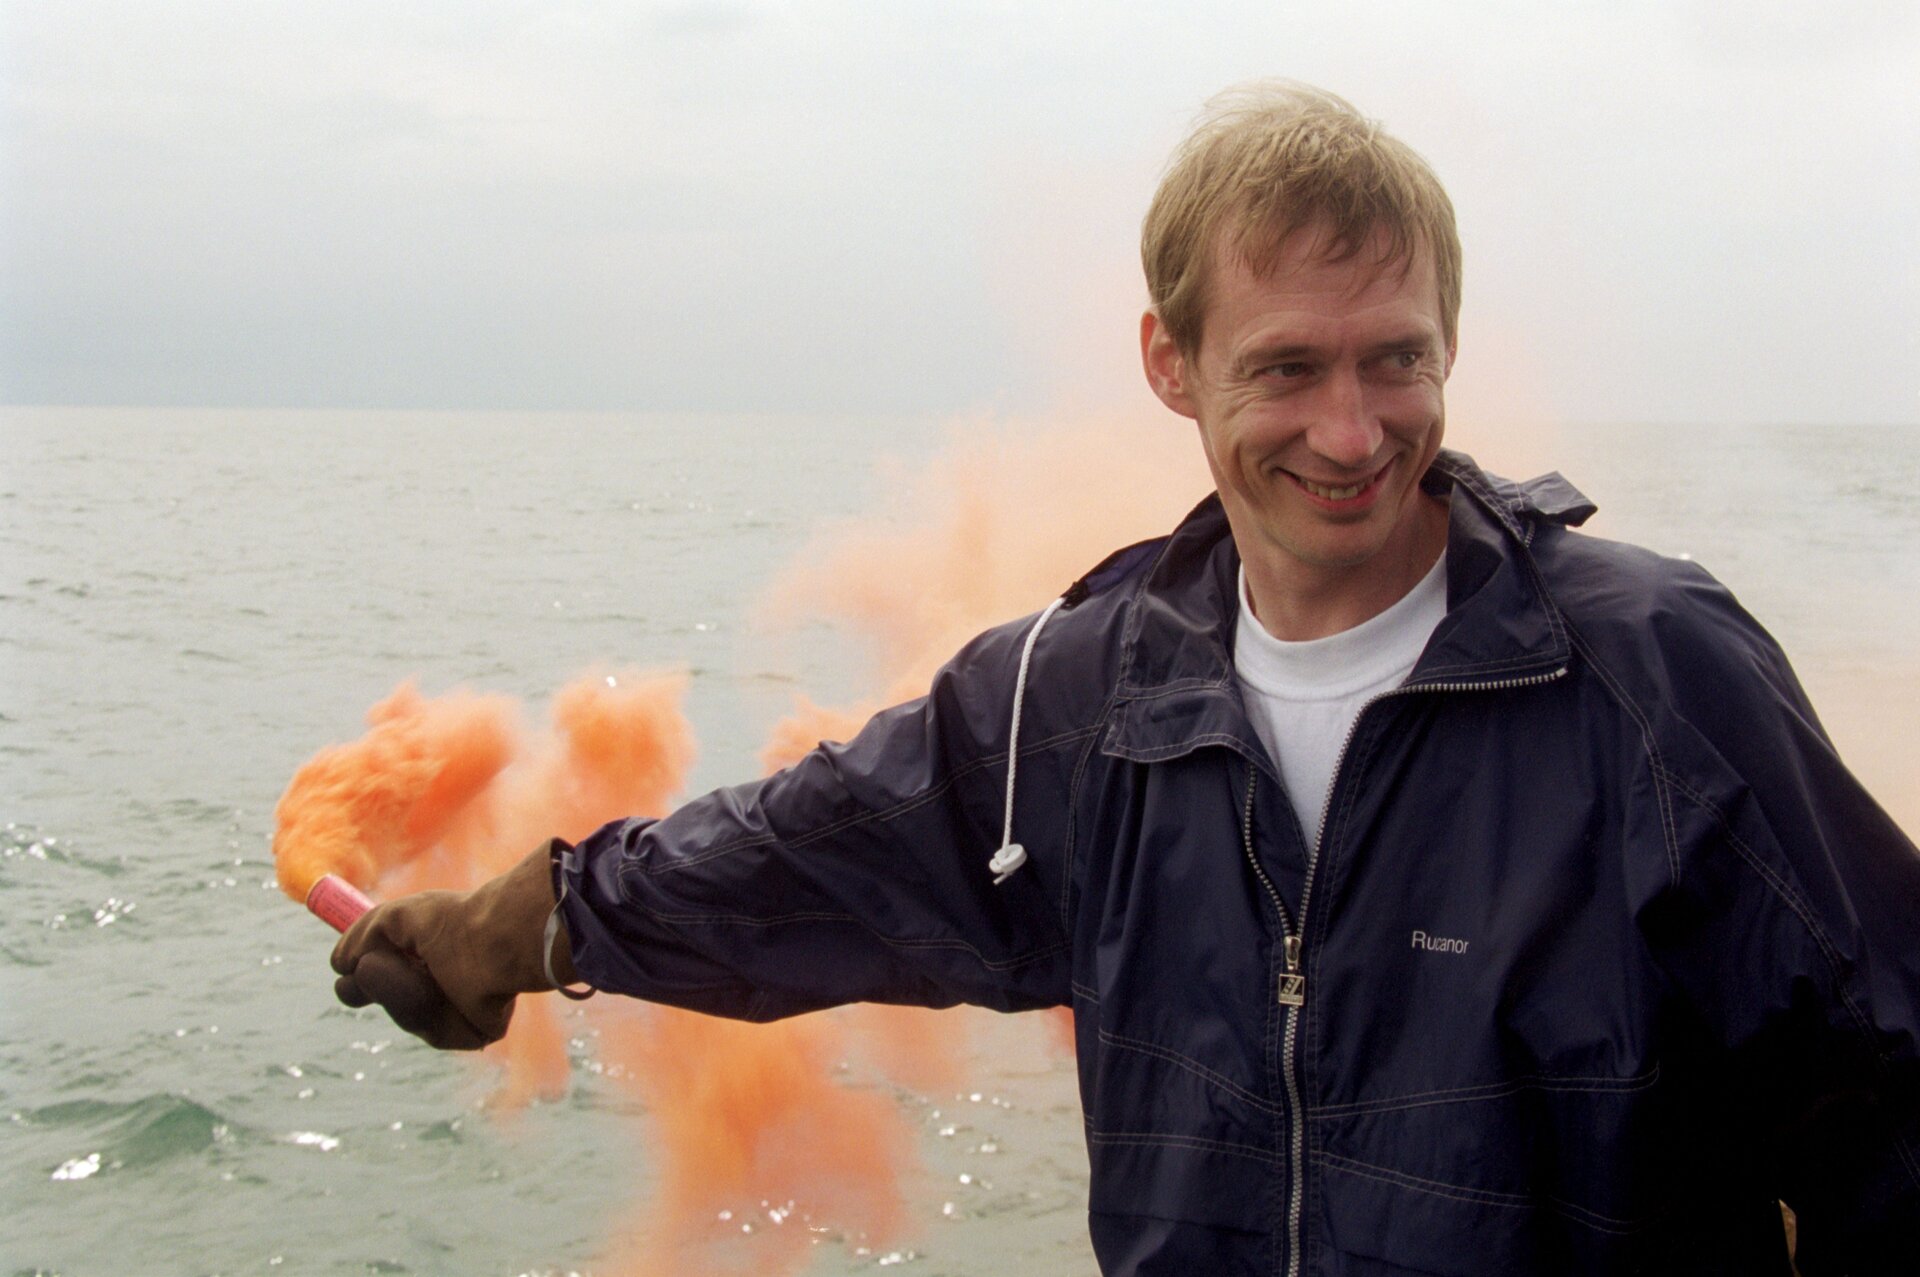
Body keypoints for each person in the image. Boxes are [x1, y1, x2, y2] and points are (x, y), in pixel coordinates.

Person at [331, 83, 1920, 1273]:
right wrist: (512, 928)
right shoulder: (1073, 710)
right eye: (1286, 367)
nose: (1353, 431)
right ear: (1170, 361)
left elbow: (1890, 1096)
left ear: (1451, 339)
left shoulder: (1651, 680)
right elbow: (796, 859)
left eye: (1396, 359)